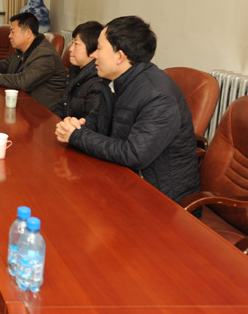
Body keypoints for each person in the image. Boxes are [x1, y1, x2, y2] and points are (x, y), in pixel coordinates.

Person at [55, 16, 200, 203]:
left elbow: (134, 154)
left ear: (120, 56)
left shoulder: (158, 96)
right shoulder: (113, 82)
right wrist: (74, 126)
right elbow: (96, 122)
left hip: (160, 200)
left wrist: (76, 136)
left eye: (99, 48)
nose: (94, 54)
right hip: (123, 180)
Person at [0, 12, 67, 112]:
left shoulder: (45, 54)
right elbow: (8, 63)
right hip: (24, 103)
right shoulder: (23, 48)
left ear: (28, 33)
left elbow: (23, 82)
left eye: (13, 32)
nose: (9, 36)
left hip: (42, 113)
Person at [53, 21, 106, 119]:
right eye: (72, 43)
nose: (70, 49)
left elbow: (90, 122)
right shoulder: (74, 71)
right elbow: (62, 106)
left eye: (76, 44)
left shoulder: (97, 83)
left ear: (93, 49)